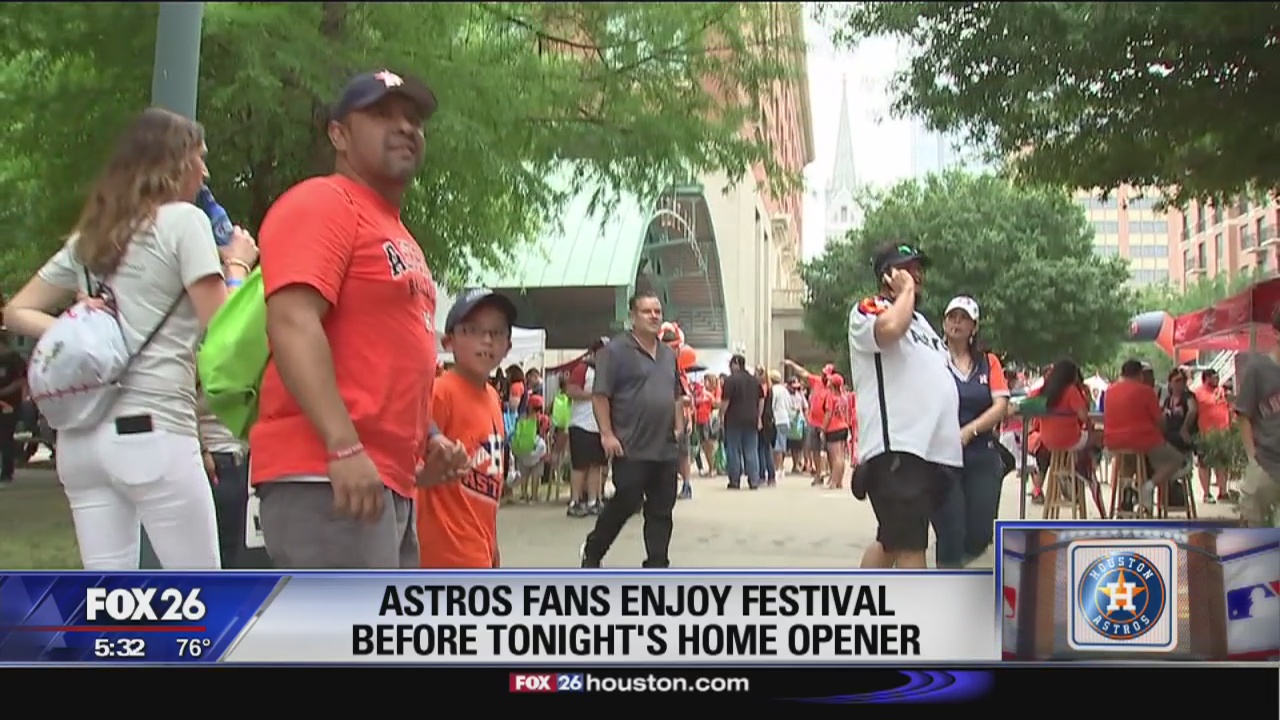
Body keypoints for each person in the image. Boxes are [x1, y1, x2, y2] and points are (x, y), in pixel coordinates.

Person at [3, 107, 258, 569]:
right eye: (199, 158)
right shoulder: (184, 222)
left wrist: (70, 324)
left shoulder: (91, 238)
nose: (205, 171)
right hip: (155, 430)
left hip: (80, 441)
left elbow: (16, 311)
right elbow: (223, 328)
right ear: (173, 163)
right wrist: (238, 265)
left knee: (110, 607)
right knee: (200, 601)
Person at [249, 69, 466, 568]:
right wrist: (344, 446)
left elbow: (380, 356)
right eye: (381, 115)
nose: (405, 127)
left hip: (382, 478)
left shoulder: (394, 230)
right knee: (346, 643)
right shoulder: (323, 202)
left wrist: (428, 440)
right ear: (338, 135)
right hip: (326, 473)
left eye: (413, 119)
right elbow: (292, 321)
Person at [848, 242, 961, 570]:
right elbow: (889, 330)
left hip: (931, 453)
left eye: (918, 269)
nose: (917, 275)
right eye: (908, 268)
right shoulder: (870, 309)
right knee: (911, 546)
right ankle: (919, 617)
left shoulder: (922, 324)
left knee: (893, 542)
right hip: (898, 448)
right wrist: (906, 292)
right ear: (889, 275)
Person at [580, 290, 683, 568]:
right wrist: (606, 434)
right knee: (627, 500)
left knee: (662, 509)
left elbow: (676, 394)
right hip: (631, 444)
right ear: (632, 317)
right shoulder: (615, 351)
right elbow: (600, 396)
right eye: (646, 311)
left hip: (665, 447)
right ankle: (593, 550)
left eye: (657, 312)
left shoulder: (667, 354)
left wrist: (679, 425)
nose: (653, 316)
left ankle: (657, 564)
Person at [419, 289, 516, 567]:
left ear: (508, 346)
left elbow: (491, 485)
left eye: (497, 333)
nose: (486, 340)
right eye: (473, 330)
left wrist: (493, 543)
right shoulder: (439, 392)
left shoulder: (493, 397)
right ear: (449, 341)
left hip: (481, 546)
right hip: (444, 549)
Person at [930, 296, 1010, 568]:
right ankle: (948, 587)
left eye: (963, 318)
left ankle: (957, 570)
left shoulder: (989, 363)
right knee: (950, 533)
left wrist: (969, 432)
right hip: (941, 458)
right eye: (952, 316)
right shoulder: (932, 359)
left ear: (974, 326)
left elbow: (1000, 405)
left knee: (979, 534)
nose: (957, 322)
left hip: (981, 453)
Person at [1103, 359, 1186, 514]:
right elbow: (1160, 422)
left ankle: (1127, 492)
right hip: (1142, 439)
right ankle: (1147, 488)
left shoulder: (1110, 391)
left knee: (1130, 459)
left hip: (1113, 441)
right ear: (1140, 375)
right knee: (1176, 459)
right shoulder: (1145, 391)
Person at [1234, 317, 1280, 527]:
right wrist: (1252, 457)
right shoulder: (1258, 370)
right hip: (1265, 462)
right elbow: (1244, 415)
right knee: (1252, 531)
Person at [565, 338, 609, 517]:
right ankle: (575, 501)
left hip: (599, 426)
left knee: (597, 466)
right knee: (580, 466)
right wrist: (593, 396)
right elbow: (571, 391)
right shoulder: (583, 368)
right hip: (581, 425)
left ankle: (594, 500)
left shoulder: (607, 372)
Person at [720, 354, 764, 490]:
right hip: (751, 419)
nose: (730, 368)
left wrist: (721, 416)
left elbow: (725, 401)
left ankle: (735, 480)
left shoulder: (730, 380)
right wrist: (759, 417)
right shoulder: (754, 381)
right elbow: (761, 399)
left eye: (731, 364)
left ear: (736, 364)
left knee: (733, 450)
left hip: (734, 420)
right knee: (751, 450)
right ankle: (754, 480)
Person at [785, 359, 830, 482]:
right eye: (824, 374)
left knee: (826, 451)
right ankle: (818, 473)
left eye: (826, 374)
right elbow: (804, 373)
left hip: (826, 424)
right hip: (813, 422)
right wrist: (792, 364)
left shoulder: (833, 387)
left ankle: (827, 472)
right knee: (814, 449)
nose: (824, 376)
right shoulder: (817, 381)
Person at [1193, 368, 1232, 503]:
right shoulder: (1197, 394)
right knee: (1205, 464)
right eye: (1214, 377)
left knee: (1222, 464)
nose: (1217, 379)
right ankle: (1206, 493)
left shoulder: (1221, 391)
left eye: (1217, 377)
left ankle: (1223, 492)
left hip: (1223, 433)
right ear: (1206, 378)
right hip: (1205, 434)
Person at [0, 333, 27, 485]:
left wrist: (6, 391)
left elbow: (22, 380)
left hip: (10, 404)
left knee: (5, 437)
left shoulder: (14, 359)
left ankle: (6, 473)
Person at [821, 374, 853, 490]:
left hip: (833, 428)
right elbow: (847, 413)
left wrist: (823, 429)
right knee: (841, 456)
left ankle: (834, 481)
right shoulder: (844, 397)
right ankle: (839, 481)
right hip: (843, 426)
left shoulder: (831, 397)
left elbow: (828, 414)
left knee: (835, 457)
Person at [755, 366, 778, 487]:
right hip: (769, 420)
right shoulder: (769, 387)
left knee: (762, 449)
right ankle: (770, 476)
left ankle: (764, 475)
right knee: (766, 449)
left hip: (763, 420)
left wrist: (758, 419)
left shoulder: (762, 388)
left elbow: (761, 403)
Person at [768, 369, 791, 479]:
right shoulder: (785, 390)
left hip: (777, 419)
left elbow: (772, 405)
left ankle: (777, 468)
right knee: (782, 445)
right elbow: (789, 404)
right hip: (785, 418)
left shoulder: (773, 390)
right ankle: (781, 468)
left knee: (776, 446)